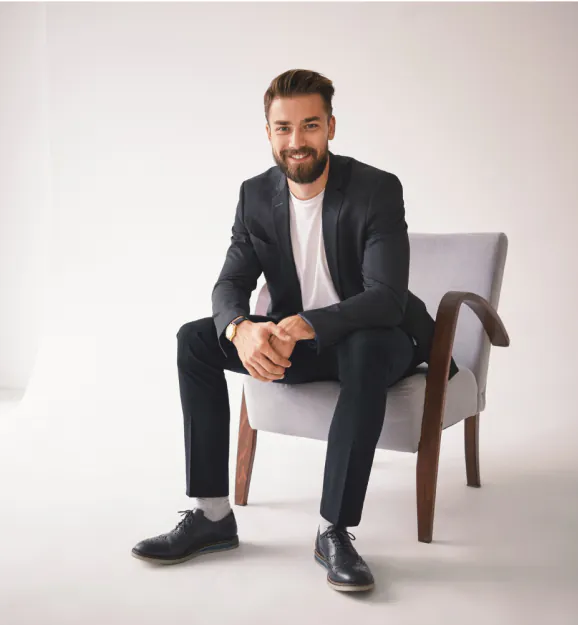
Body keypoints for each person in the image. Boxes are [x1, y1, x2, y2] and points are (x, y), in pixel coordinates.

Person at [131, 68, 458, 593]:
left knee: (365, 349)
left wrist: (308, 323)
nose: (296, 141)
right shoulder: (255, 196)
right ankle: (213, 516)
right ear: (268, 133)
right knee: (195, 340)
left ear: (330, 127)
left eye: (310, 125)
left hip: (378, 337)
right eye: (283, 128)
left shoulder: (376, 189)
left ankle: (334, 531)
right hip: (296, 343)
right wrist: (240, 329)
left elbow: (386, 298)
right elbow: (229, 284)